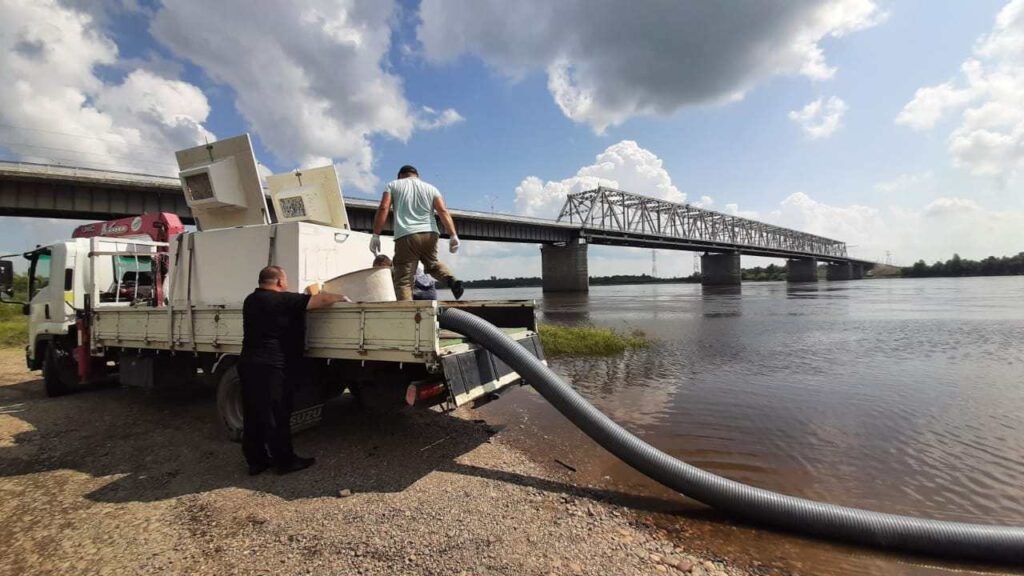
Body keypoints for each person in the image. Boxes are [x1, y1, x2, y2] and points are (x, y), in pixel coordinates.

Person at [239, 265, 349, 475]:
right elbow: (322, 300)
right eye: (286, 280)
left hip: (249, 363)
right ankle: (284, 461)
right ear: (279, 282)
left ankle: (256, 461)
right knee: (277, 413)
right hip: (272, 367)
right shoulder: (282, 300)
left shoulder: (250, 300)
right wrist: (342, 296)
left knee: (253, 413)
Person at [370, 165, 465, 301]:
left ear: (400, 176)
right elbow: (443, 211)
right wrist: (453, 235)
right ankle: (452, 281)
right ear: (417, 175)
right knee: (432, 264)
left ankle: (406, 316)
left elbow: (384, 207)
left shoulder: (393, 185)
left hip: (407, 235)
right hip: (431, 234)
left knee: (404, 279)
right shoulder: (432, 188)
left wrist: (376, 235)